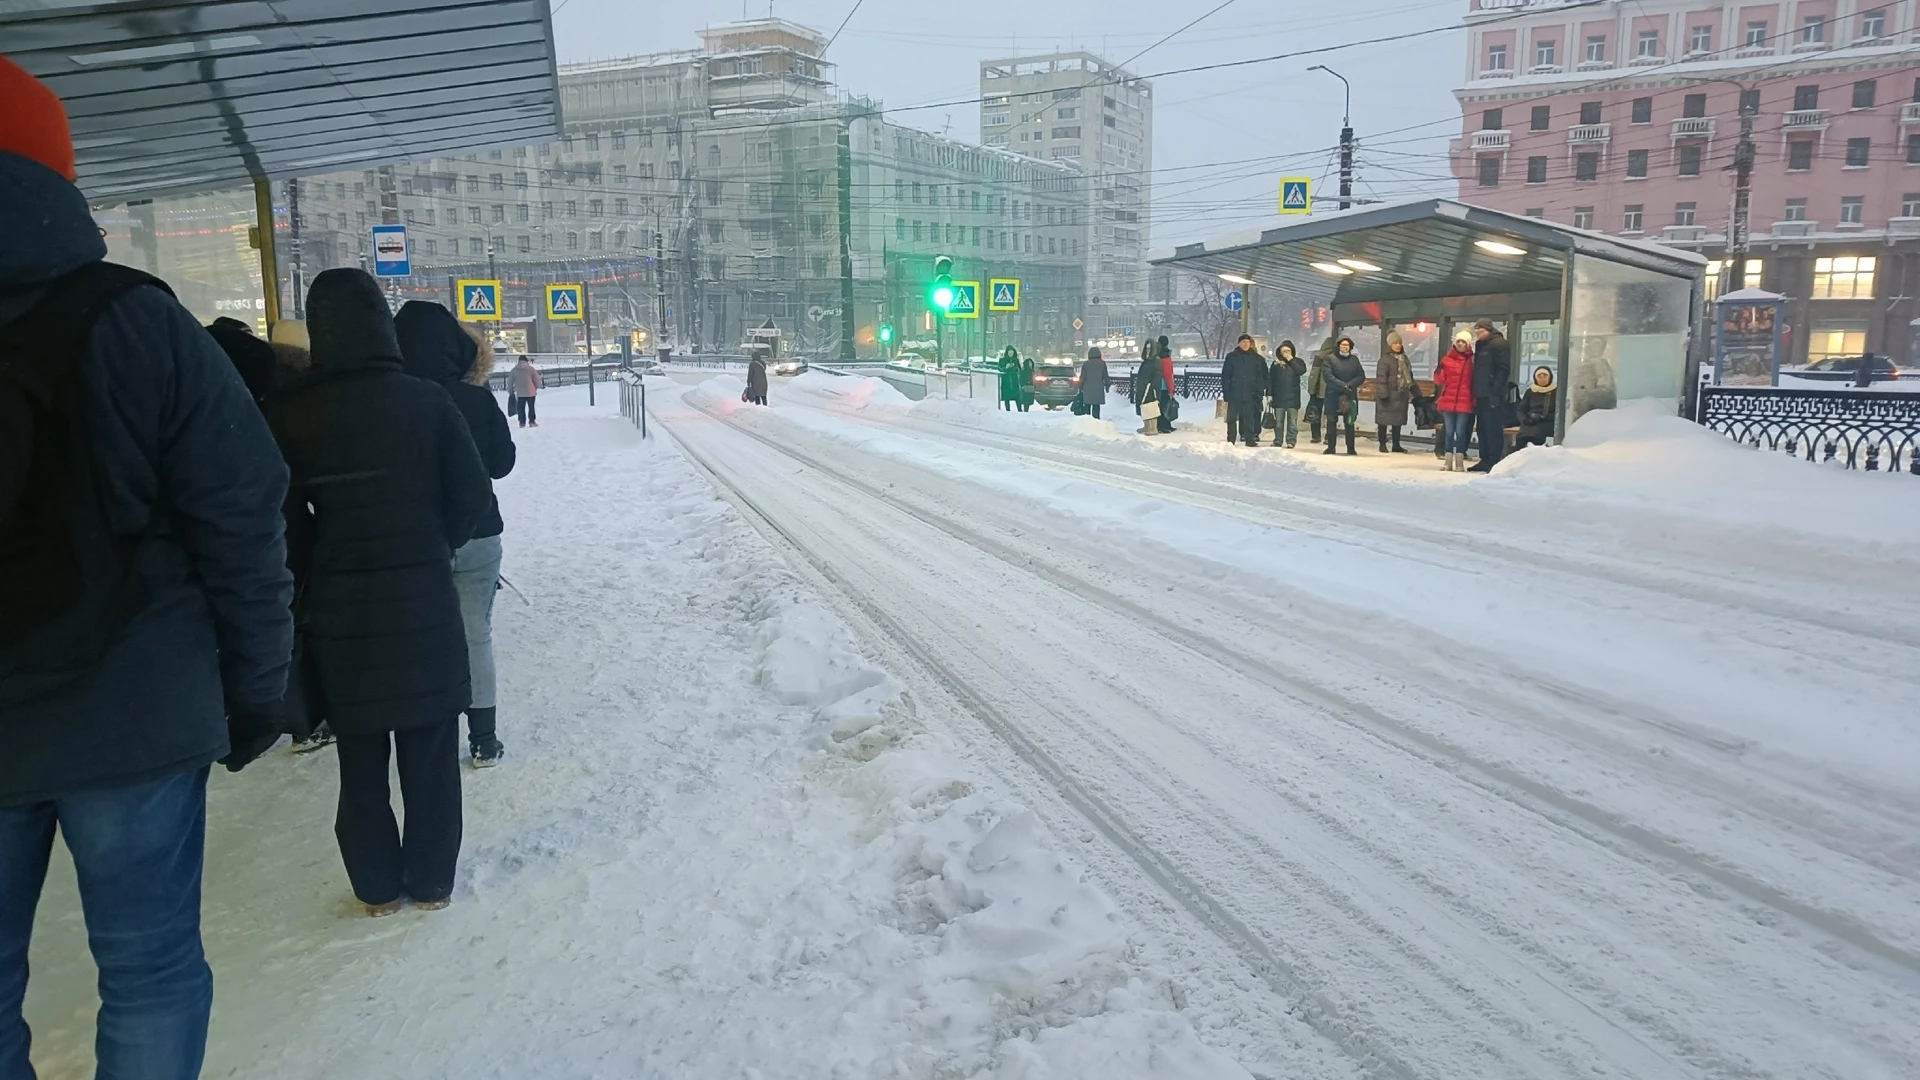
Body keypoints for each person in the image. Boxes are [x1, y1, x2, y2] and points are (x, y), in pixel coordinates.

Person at [1, 59, 294, 1079]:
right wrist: (257, 688)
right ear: (59, 174)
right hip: (134, 705)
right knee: (151, 970)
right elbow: (243, 517)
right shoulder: (138, 320)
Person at [268, 269, 491, 916]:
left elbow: (279, 523)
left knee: (360, 761)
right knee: (429, 754)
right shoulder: (425, 401)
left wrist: (320, 563)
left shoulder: (292, 415)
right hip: (423, 600)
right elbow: (472, 496)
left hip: (340, 616)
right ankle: (432, 884)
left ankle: (374, 889)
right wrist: (432, 545)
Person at [395, 301, 518, 767]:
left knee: (419, 636)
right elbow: (503, 464)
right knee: (474, 635)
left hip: (415, 538)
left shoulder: (392, 397)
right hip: (478, 533)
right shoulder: (474, 397)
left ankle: (427, 737)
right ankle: (484, 738)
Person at [1468, 319, 1512, 473]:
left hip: (1493, 394)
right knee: (1482, 428)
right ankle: (1485, 458)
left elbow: (1503, 369)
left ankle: (1494, 460)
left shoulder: (1499, 344)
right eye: (1476, 331)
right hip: (1481, 393)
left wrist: (1496, 391)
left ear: (1488, 330)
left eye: (1480, 331)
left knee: (1492, 428)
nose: (1478, 334)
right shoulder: (1480, 345)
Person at [1433, 330, 1477, 471]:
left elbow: (1474, 380)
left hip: (1464, 400)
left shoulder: (1472, 360)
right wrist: (1439, 371)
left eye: (1463, 342)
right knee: (1449, 431)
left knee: (1461, 431)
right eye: (1458, 341)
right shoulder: (1447, 359)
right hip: (1448, 400)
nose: (1460, 344)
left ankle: (1459, 460)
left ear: (1468, 344)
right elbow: (1439, 380)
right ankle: (1447, 461)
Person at [1220, 333, 1267, 447]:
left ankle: (1249, 439)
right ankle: (1231, 440)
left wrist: (1259, 391)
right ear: (1238, 344)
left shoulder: (1257, 359)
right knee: (1231, 418)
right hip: (1234, 393)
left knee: (1249, 417)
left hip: (1251, 394)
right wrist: (1226, 392)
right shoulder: (1231, 357)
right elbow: (1226, 376)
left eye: (1248, 342)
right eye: (1243, 342)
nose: (1246, 344)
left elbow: (1263, 376)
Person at [1322, 336, 1366, 455]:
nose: (1345, 347)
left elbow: (1361, 376)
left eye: (1347, 345)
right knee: (1331, 421)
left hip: (1349, 395)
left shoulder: (1354, 360)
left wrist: (1350, 385)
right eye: (1343, 345)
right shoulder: (1330, 359)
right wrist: (1342, 385)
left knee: (1349, 422)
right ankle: (1331, 447)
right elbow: (1328, 376)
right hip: (1333, 395)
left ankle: (1350, 448)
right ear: (1338, 346)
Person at [1374, 330, 1416, 453]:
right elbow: (1381, 378)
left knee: (1398, 420)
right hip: (1388, 394)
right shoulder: (1385, 360)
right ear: (1390, 345)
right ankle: (1382, 443)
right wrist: (1383, 394)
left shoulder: (1404, 359)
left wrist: (1414, 392)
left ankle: (1396, 444)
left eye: (1399, 343)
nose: (1398, 345)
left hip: (1401, 393)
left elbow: (1409, 376)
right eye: (1395, 343)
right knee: (1383, 420)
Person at [1268, 339, 1305, 447]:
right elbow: (1270, 380)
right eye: (1284, 351)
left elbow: (1301, 371)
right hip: (1278, 398)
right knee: (1278, 422)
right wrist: (1269, 394)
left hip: (1293, 398)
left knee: (1292, 423)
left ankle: (1291, 440)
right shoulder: (1276, 364)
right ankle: (1278, 440)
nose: (1286, 353)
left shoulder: (1298, 362)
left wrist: (1291, 360)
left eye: (1288, 351)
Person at [1513, 363, 1558, 451]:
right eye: (1539, 377)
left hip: (1546, 423)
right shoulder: (1530, 391)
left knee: (1538, 437)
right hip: (1529, 423)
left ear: (1550, 377)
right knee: (1521, 441)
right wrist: (1525, 419)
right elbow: (1521, 409)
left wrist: (1542, 417)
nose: (1542, 379)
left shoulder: (1555, 391)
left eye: (1545, 376)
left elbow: (1558, 412)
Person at [1306, 335, 1333, 443]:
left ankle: (1316, 436)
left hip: (1319, 390)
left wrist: (1311, 390)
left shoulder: (1319, 357)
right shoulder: (1336, 356)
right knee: (1330, 414)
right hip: (1332, 390)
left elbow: (1314, 374)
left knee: (1316, 412)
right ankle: (1329, 436)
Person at [509, 353, 542, 427]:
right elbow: (537, 380)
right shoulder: (531, 369)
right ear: (526, 361)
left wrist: (511, 391)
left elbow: (510, 381)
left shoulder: (514, 370)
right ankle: (532, 421)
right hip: (531, 392)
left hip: (520, 392)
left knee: (521, 408)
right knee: (531, 407)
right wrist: (535, 387)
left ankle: (522, 422)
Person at [1080, 347, 1108, 419]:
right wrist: (1108, 386)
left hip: (1087, 388)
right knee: (1096, 406)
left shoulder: (1086, 364)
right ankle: (1096, 420)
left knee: (1087, 406)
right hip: (1098, 388)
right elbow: (1105, 376)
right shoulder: (1102, 364)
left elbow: (1082, 377)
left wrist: (1080, 387)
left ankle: (1087, 420)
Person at [998, 346, 1021, 411]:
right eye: (1009, 352)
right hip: (1006, 381)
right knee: (1006, 397)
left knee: (1017, 396)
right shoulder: (1002, 360)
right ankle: (1008, 410)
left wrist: (1015, 368)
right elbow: (999, 369)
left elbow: (1019, 369)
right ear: (1007, 352)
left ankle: (1020, 410)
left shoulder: (1016, 360)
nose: (1011, 353)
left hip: (1014, 381)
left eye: (1012, 352)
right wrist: (1005, 367)